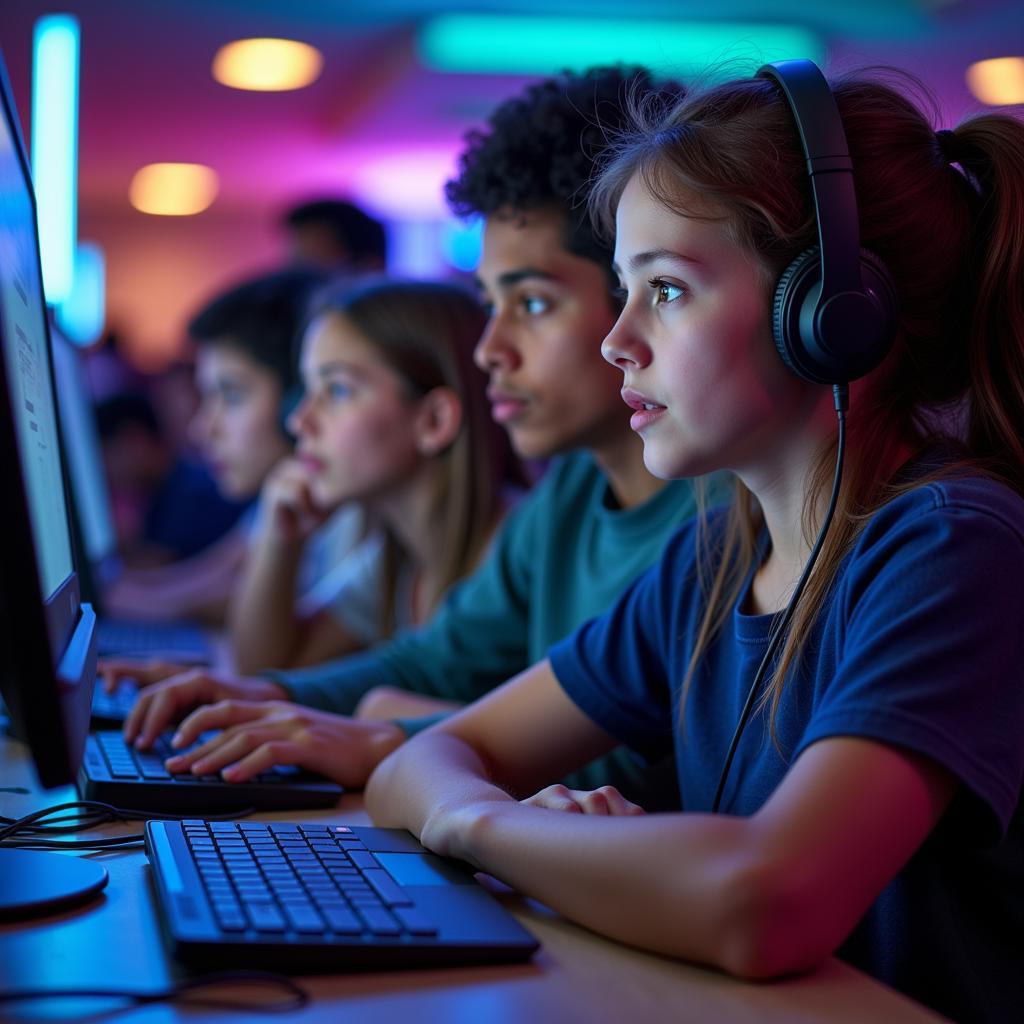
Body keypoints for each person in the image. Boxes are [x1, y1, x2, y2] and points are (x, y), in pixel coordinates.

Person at [362, 62, 1024, 1023]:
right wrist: (512, 818)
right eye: (626, 290)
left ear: (835, 314)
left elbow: (766, 904)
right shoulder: (713, 562)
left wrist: (483, 824)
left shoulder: (954, 552)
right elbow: (418, 764)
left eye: (666, 289)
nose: (617, 340)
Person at [103, 67, 714, 809]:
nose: (492, 349)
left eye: (532, 302)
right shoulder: (577, 490)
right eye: (491, 303)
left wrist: (388, 732)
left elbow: (615, 766)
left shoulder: (715, 524)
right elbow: (439, 660)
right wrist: (263, 694)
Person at [229, 278, 519, 672]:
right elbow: (268, 670)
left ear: (434, 421)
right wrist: (277, 542)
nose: (299, 422)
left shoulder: (515, 551)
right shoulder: (395, 561)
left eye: (337, 390)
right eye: (307, 390)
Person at [102, 267, 345, 627]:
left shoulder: (344, 518)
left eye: (231, 396)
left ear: (296, 399)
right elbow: (210, 577)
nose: (203, 430)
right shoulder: (276, 497)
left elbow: (244, 610)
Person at [283, 198, 387, 273]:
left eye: (317, 242)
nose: (296, 252)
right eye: (296, 241)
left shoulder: (376, 298)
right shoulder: (293, 294)